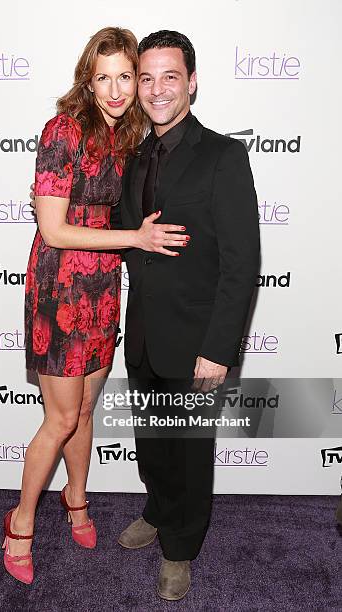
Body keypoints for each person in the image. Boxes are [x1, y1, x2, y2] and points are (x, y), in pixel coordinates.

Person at [2, 27, 189, 585]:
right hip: (60, 289)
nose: (114, 89)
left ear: (136, 80)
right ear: (88, 79)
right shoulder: (64, 131)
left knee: (84, 409)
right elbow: (54, 231)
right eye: (103, 77)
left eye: (125, 77)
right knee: (59, 418)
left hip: (104, 288)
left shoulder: (126, 137)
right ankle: (20, 522)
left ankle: (76, 499)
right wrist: (135, 237)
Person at [112, 30, 261, 601]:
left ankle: (181, 548)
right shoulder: (135, 156)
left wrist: (219, 348)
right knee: (153, 442)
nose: (155, 90)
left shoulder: (223, 155)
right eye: (145, 78)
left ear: (191, 82)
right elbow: (134, 240)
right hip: (146, 334)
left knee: (190, 451)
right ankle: (156, 509)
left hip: (198, 339)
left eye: (169, 76)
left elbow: (241, 261)